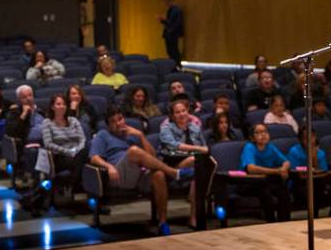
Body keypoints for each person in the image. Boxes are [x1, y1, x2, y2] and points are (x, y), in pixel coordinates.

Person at [90, 106, 193, 235]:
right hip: (119, 174)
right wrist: (109, 167)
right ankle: (173, 172)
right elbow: (94, 158)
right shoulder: (103, 135)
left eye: (120, 119)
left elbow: (152, 157)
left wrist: (140, 135)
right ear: (108, 125)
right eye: (113, 121)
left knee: (159, 174)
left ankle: (162, 223)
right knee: (133, 151)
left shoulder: (132, 135)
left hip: (139, 174)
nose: (119, 123)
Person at [158, 100, 208, 228]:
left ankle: (193, 218)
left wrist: (201, 150)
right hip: (171, 166)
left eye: (183, 111)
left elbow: (204, 146)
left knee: (198, 176)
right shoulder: (166, 128)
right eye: (177, 112)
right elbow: (174, 146)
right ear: (173, 115)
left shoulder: (195, 128)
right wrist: (198, 149)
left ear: (188, 112)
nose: (181, 114)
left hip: (193, 164)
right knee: (194, 161)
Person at [239, 124, 292, 222]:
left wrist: (284, 169)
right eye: (258, 132)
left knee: (283, 192)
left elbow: (286, 161)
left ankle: (285, 223)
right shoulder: (249, 147)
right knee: (265, 192)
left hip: (267, 181)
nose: (263, 134)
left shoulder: (270, 147)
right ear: (252, 137)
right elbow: (251, 168)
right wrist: (277, 171)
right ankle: (270, 223)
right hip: (250, 183)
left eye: (265, 131)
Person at [37, 95, 86, 186]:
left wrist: (77, 150)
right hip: (60, 156)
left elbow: (82, 139)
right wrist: (68, 152)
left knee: (84, 153)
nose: (62, 106)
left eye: (64, 104)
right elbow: (48, 144)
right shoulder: (47, 122)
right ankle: (74, 186)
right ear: (52, 107)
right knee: (82, 159)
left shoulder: (73, 120)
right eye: (58, 104)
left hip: (78, 153)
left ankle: (72, 184)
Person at [157, 0, 184, 67]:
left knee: (174, 51)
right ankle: (173, 66)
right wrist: (163, 21)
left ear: (171, 1)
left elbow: (177, 23)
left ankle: (177, 66)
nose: (166, 4)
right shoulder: (170, 10)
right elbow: (169, 22)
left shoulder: (177, 10)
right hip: (169, 34)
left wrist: (165, 22)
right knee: (169, 51)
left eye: (166, 2)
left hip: (173, 34)